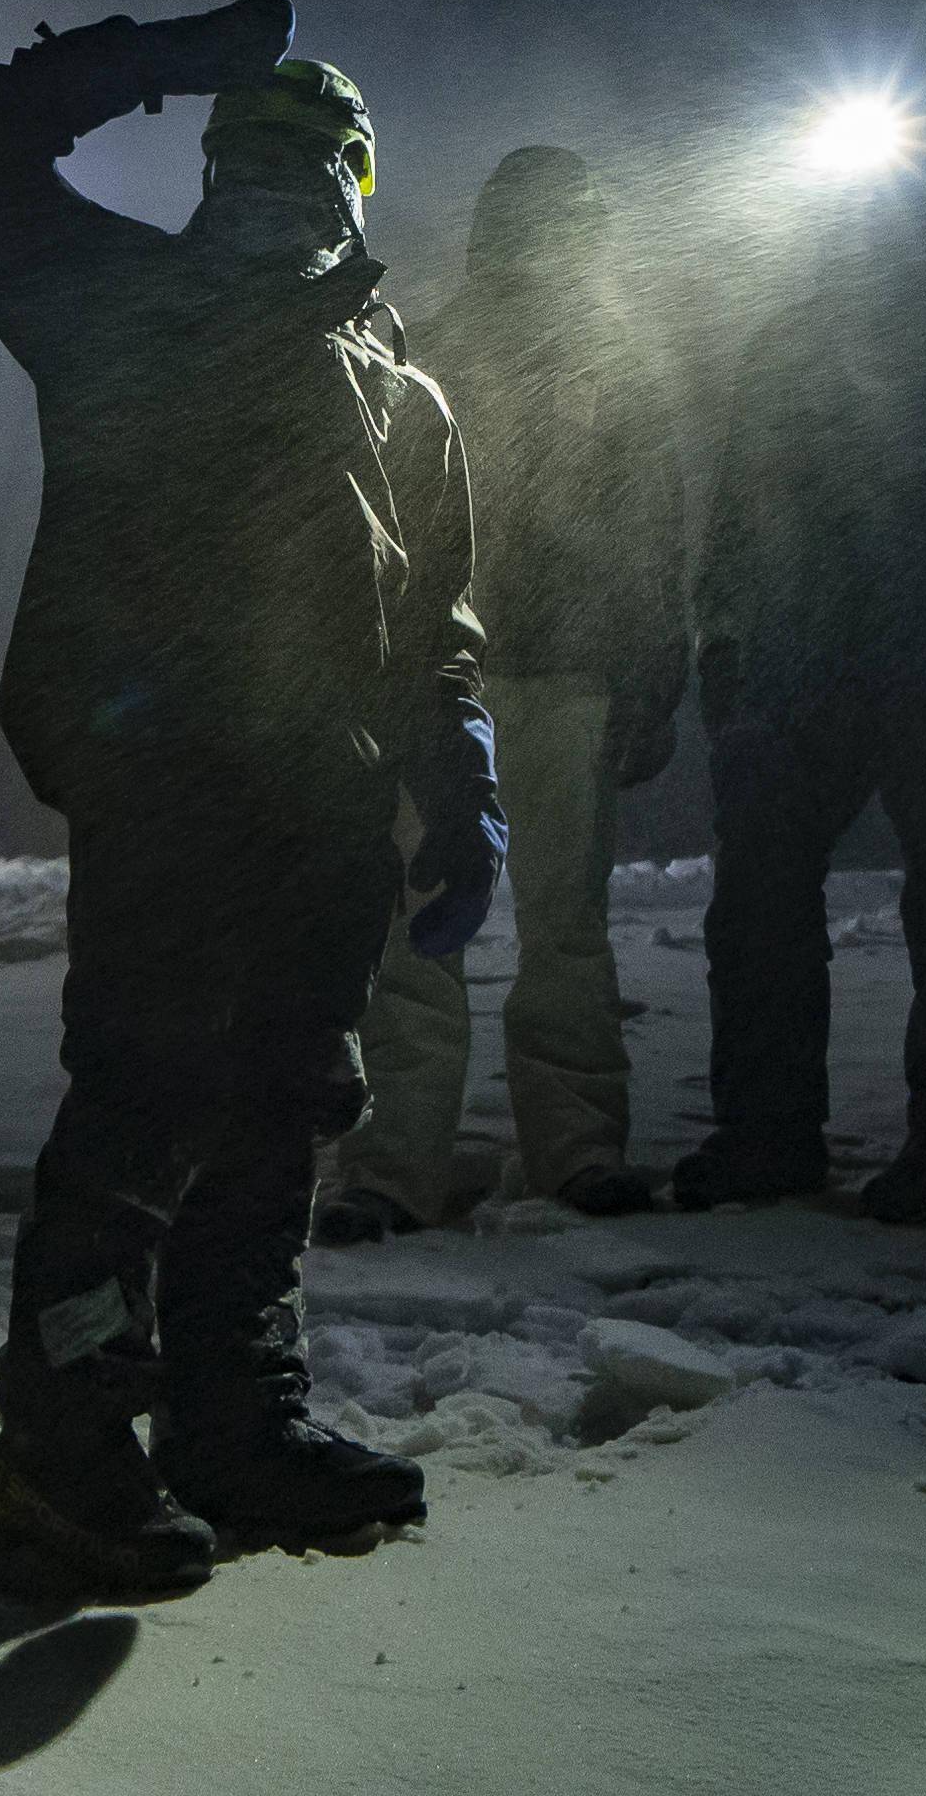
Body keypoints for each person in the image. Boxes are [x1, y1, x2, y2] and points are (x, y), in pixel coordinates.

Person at [0, 0, 505, 1600]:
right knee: (146, 1107)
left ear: (360, 185)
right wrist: (154, 62)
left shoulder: (405, 391)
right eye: (252, 149)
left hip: (328, 806)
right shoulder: (120, 302)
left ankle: (235, 1425)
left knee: (285, 1113)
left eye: (312, 161)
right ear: (207, 163)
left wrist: (462, 776)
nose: (280, 184)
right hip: (168, 779)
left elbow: (437, 615)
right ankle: (61, 1455)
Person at [678, 144, 926, 1222]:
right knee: (760, 907)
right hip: (800, 664)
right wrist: (724, 647)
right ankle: (769, 1136)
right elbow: (736, 514)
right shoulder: (793, 346)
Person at [323, 147, 687, 1237]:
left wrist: (649, 673)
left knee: (464, 929)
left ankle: (428, 1165)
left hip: (516, 678)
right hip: (468, 682)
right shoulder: (456, 352)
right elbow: (649, 540)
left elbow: (648, 536)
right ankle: (495, 1158)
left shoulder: (448, 347)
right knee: (510, 928)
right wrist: (653, 676)